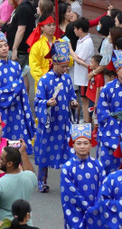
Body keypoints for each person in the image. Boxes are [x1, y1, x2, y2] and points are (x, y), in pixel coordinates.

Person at [33, 40, 79, 192]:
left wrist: (73, 102)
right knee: (45, 152)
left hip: (64, 123)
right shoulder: (44, 80)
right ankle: (42, 181)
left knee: (69, 152)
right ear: (54, 63)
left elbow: (71, 95)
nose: (65, 69)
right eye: (63, 66)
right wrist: (46, 103)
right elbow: (37, 101)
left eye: (67, 66)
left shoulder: (67, 79)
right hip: (49, 123)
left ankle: (69, 182)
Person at [0, 32, 33, 146]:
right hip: (2, 109)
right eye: (0, 46)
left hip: (17, 107)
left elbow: (22, 90)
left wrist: (22, 103)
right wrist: (14, 87)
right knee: (3, 135)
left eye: (5, 45)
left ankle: (19, 153)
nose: (4, 48)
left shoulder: (16, 66)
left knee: (19, 137)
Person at [60, 123, 104, 229]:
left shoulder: (98, 165)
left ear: (91, 145)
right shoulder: (67, 167)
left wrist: (96, 207)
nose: (82, 146)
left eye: (86, 143)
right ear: (73, 145)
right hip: (75, 212)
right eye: (79, 143)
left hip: (95, 211)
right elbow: (69, 194)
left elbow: (103, 188)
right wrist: (87, 207)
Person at [0, 145, 36, 224]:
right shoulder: (30, 177)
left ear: (9, 164)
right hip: (27, 224)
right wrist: (23, 152)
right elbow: (30, 170)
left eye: (2, 159)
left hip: (6, 225)